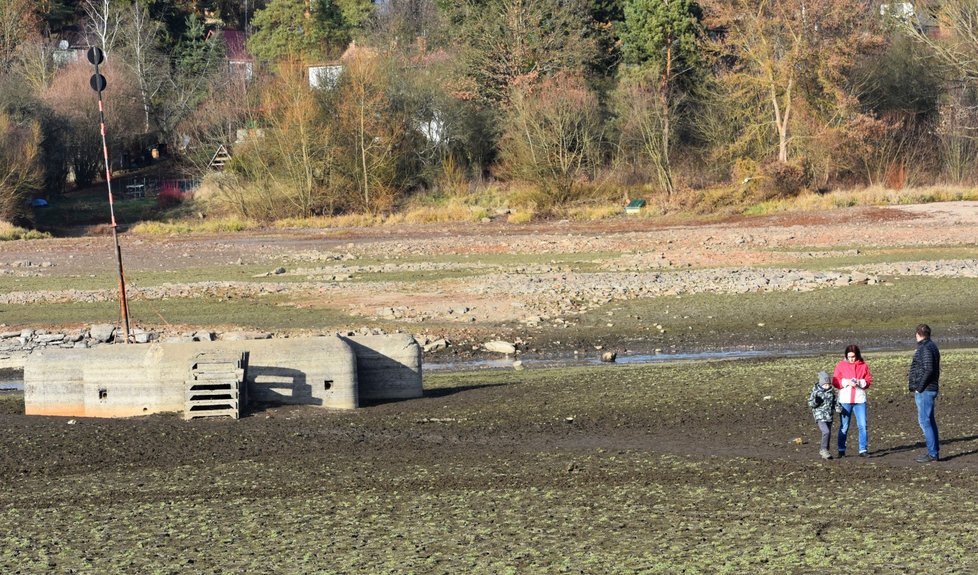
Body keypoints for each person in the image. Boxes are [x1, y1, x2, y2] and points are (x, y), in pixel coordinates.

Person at [833, 344, 873, 457]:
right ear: (846, 356)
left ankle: (863, 449)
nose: (851, 359)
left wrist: (860, 382)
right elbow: (835, 381)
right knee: (844, 426)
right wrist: (846, 382)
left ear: (857, 355)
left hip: (859, 400)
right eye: (849, 356)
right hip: (845, 400)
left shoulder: (863, 366)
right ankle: (841, 450)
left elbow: (868, 381)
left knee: (862, 425)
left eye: (853, 356)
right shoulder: (841, 365)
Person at [909, 323, 941, 463]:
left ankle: (932, 453)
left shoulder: (926, 348)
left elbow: (928, 369)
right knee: (929, 421)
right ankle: (933, 452)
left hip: (926, 390)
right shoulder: (932, 346)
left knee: (924, 421)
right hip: (929, 388)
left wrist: (919, 387)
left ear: (918, 334)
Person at [807, 371, 837, 460]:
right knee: (826, 432)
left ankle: (825, 451)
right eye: (825, 385)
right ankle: (823, 449)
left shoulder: (832, 392)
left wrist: (838, 408)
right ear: (821, 384)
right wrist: (816, 402)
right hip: (819, 415)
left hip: (829, 416)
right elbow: (810, 403)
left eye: (828, 384)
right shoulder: (816, 392)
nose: (827, 386)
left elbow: (835, 402)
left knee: (828, 433)